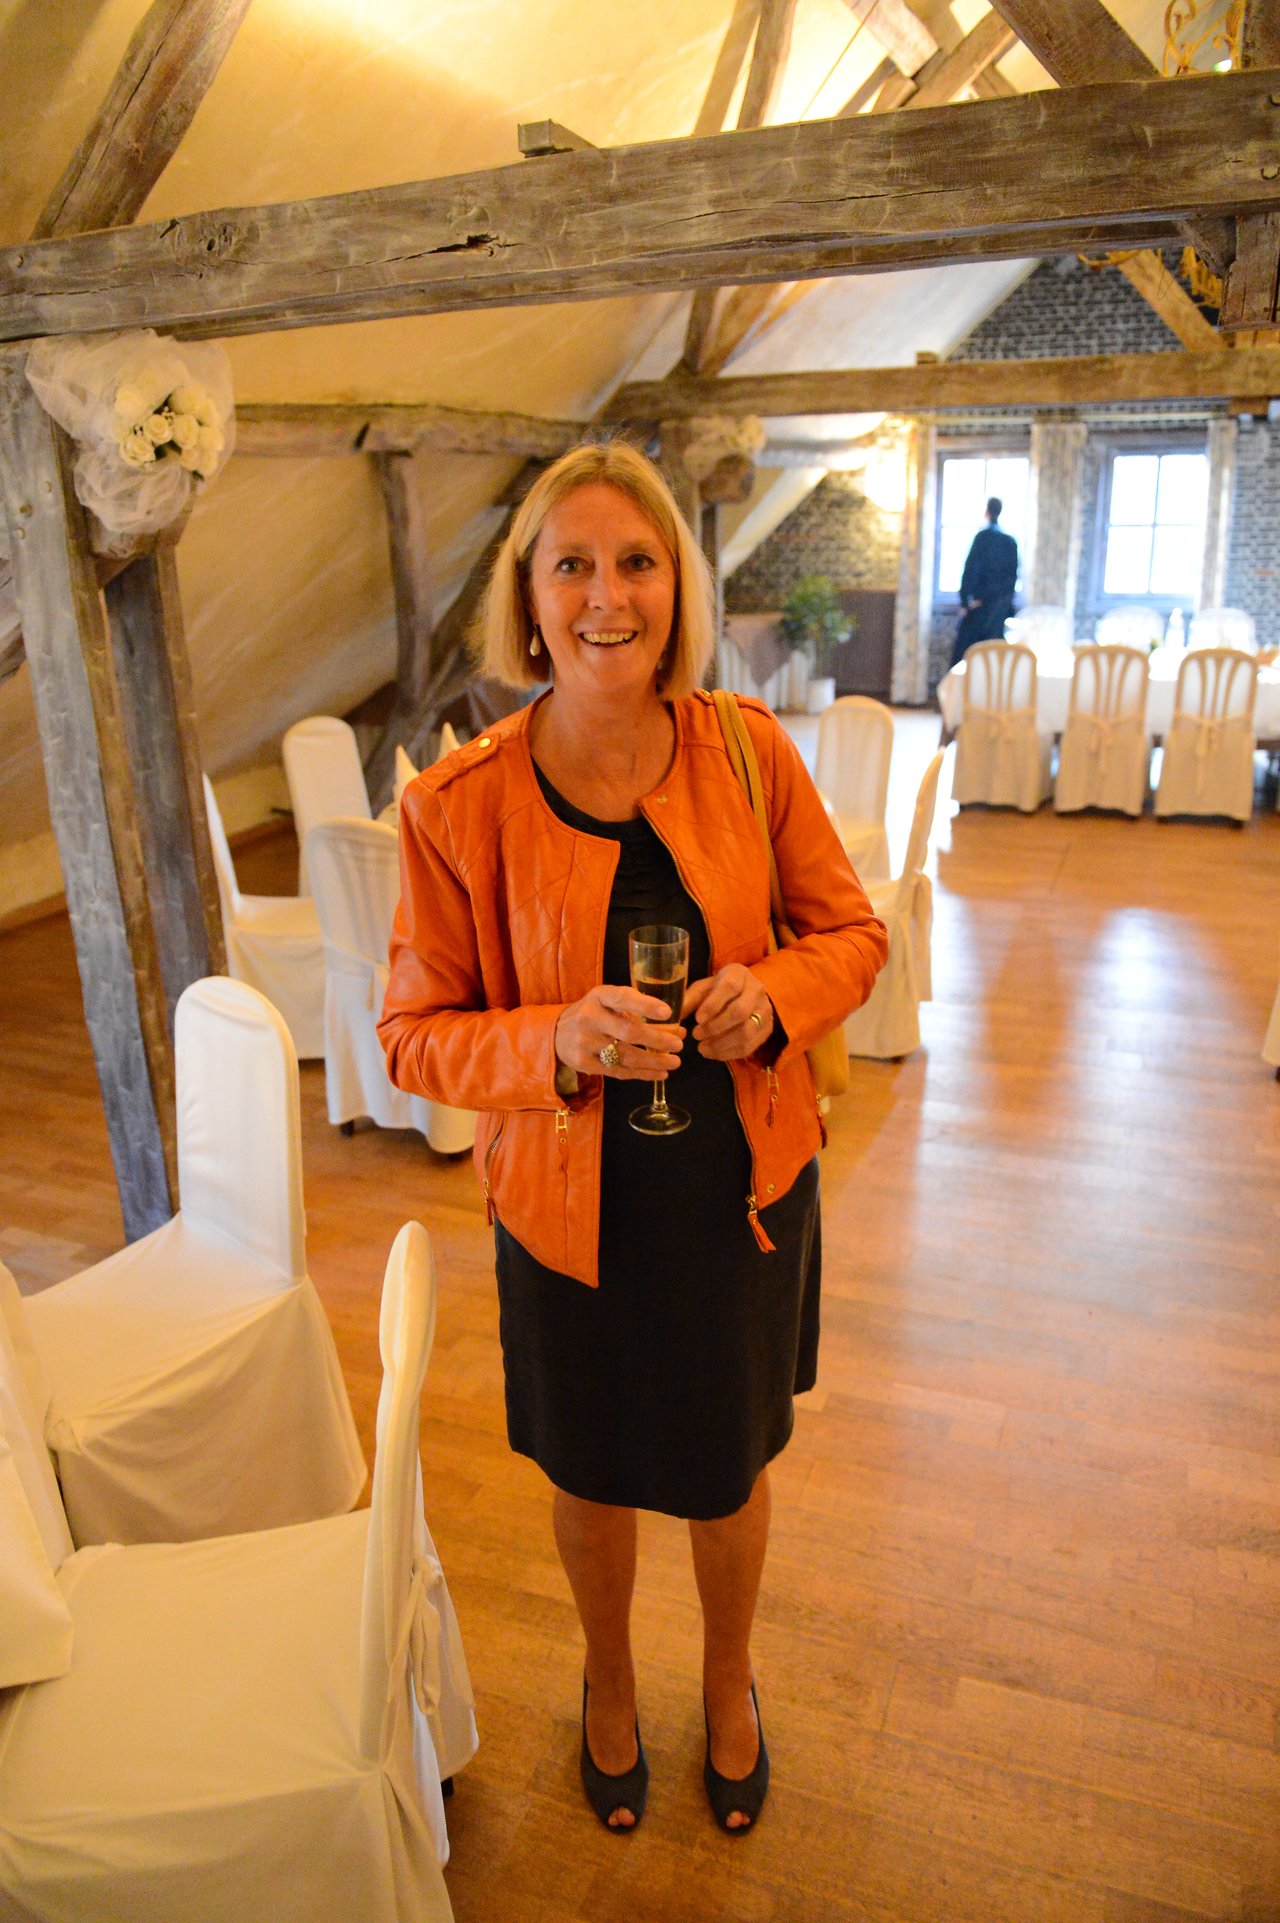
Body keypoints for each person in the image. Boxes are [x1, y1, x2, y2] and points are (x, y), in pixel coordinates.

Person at [378, 442, 887, 1836]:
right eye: (574, 566)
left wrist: (772, 994)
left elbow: (855, 932)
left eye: (639, 561)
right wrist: (549, 1037)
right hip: (562, 1206)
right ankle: (609, 1681)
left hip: (737, 1194)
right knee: (594, 1470)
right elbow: (415, 1034)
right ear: (528, 602)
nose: (610, 596)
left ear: (679, 583)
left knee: (728, 1467)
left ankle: (729, 1681)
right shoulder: (457, 803)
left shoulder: (748, 749)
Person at [951, 495, 1019, 667]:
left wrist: (966, 601)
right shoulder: (1010, 542)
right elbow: (1012, 580)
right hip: (999, 608)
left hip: (981, 607)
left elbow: (970, 570)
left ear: (987, 512)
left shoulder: (983, 538)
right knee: (993, 658)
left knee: (967, 656)